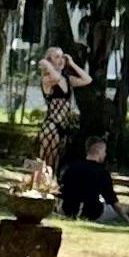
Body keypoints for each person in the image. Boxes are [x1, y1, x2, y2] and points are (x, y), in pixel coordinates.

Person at [35, 45, 91, 186]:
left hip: (64, 127)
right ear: (49, 60)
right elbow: (55, 76)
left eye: (62, 57)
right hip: (52, 126)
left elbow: (87, 79)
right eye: (57, 57)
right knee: (46, 161)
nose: (61, 60)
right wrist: (47, 64)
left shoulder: (67, 79)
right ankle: (38, 190)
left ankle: (49, 192)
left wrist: (71, 63)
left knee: (56, 162)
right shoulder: (48, 79)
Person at [59, 138, 128, 224]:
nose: (105, 154)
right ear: (99, 151)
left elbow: (62, 190)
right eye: (104, 151)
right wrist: (127, 219)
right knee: (128, 209)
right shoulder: (102, 172)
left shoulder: (72, 167)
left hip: (69, 210)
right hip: (92, 212)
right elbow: (112, 200)